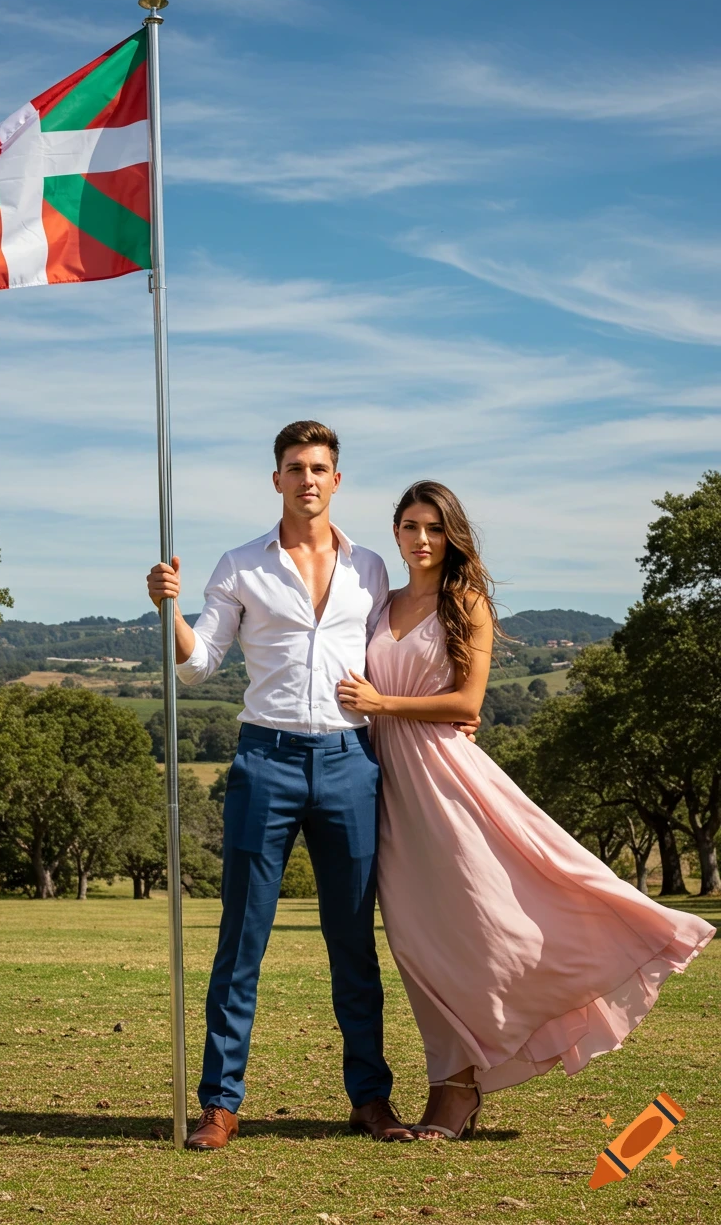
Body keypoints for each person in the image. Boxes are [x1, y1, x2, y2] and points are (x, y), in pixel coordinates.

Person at [337, 480, 716, 1141]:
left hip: (445, 782)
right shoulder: (381, 602)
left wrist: (384, 704)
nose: (422, 539)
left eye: (434, 527)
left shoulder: (466, 602)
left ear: (451, 535)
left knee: (482, 926)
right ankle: (453, 1079)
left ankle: (456, 1091)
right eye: (410, 526)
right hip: (388, 787)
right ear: (395, 532)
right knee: (416, 945)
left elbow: (467, 703)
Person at [146, 423, 475, 1150]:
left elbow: (399, 653)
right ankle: (220, 1105)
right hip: (264, 760)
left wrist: (453, 712)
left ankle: (370, 1100)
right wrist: (169, 612)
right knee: (242, 940)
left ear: (337, 480)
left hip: (351, 762)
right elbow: (197, 667)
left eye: (319, 468)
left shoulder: (371, 569)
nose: (307, 479)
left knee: (353, 942)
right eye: (295, 468)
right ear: (277, 480)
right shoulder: (240, 565)